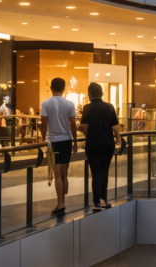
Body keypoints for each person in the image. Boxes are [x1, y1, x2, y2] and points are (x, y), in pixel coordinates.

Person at [39, 77, 78, 214]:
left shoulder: (45, 103)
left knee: (57, 174)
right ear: (64, 88)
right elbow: (73, 125)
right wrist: (75, 142)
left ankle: (60, 205)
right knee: (64, 173)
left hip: (52, 142)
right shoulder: (69, 104)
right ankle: (63, 202)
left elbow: (44, 124)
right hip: (66, 140)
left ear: (51, 88)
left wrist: (43, 140)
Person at [79, 82, 120, 210]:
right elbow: (115, 126)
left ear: (89, 95)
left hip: (93, 143)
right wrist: (118, 138)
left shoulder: (87, 108)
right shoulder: (109, 107)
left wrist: (89, 132)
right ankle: (104, 200)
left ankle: (97, 202)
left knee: (96, 173)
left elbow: (84, 126)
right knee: (104, 171)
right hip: (108, 143)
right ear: (102, 94)